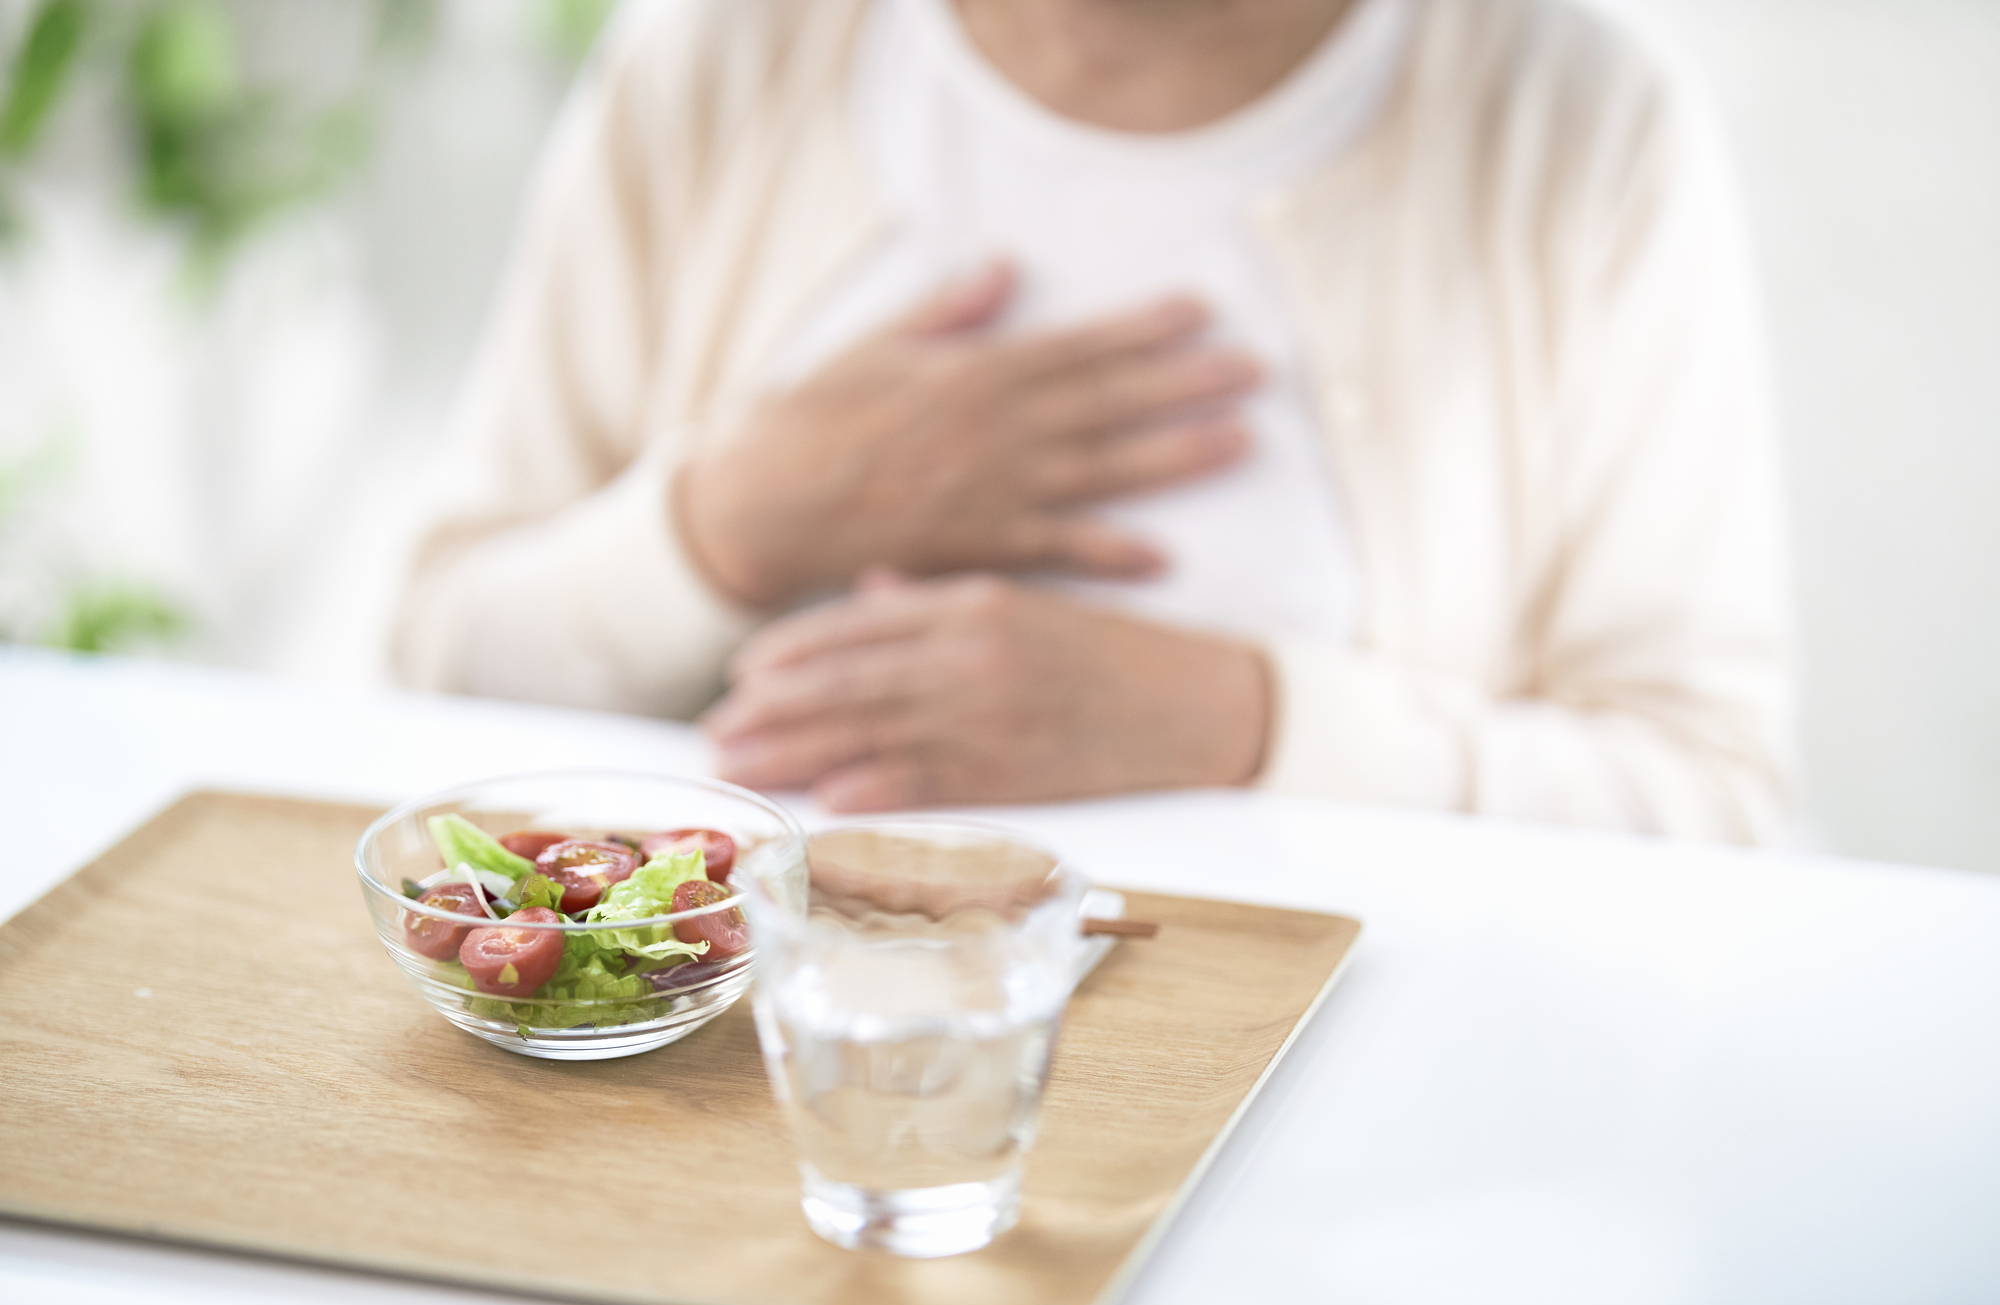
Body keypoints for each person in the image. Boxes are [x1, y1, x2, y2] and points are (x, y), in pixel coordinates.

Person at [392, 0, 1794, 843]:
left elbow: (1717, 805)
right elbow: (434, 666)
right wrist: (728, 524)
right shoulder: (725, 49)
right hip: (740, 1109)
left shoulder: (1581, 126)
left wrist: (1244, 722)